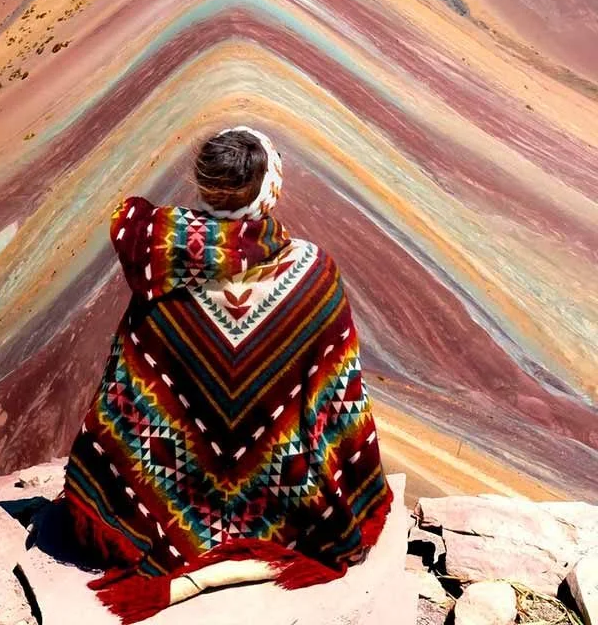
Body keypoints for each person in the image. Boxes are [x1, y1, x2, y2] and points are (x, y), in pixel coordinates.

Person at [55, 126, 392, 622]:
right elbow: (338, 397)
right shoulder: (313, 273)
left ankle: (180, 538)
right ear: (270, 189)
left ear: (203, 185)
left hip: (170, 483)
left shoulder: (162, 265)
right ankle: (258, 533)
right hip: (285, 492)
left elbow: (128, 385)